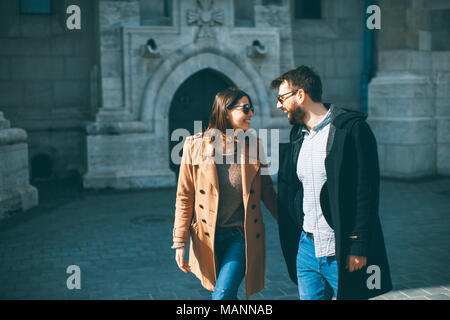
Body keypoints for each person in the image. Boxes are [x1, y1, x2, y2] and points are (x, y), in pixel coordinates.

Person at [272, 66, 392, 300]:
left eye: (281, 98)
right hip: (307, 249)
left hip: (341, 249)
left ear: (300, 95)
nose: (278, 105)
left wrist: (358, 245)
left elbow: (365, 192)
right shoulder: (297, 135)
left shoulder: (352, 129)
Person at [172, 87, 278, 300]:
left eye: (252, 108)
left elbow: (268, 193)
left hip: (239, 237)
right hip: (206, 238)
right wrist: (179, 241)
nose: (251, 114)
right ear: (226, 111)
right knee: (226, 296)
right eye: (245, 108)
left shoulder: (253, 146)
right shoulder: (194, 146)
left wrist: (292, 224)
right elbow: (184, 196)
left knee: (221, 296)